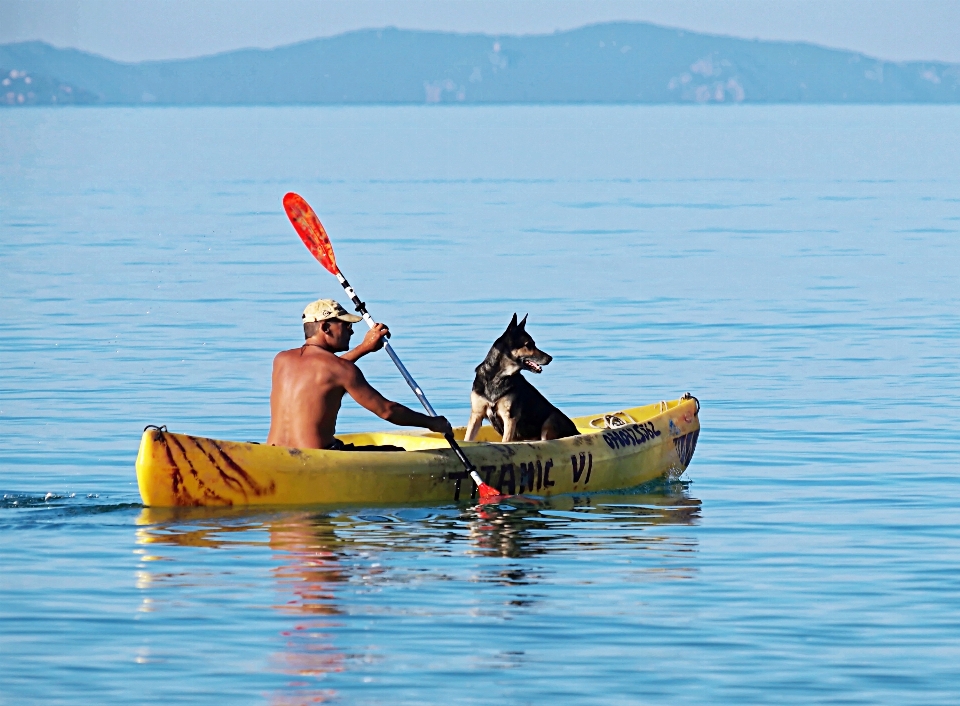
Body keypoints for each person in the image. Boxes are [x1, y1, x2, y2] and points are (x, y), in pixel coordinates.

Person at [266, 298, 452, 450]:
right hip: (318, 459)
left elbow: (323, 371)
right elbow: (387, 411)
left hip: (274, 454)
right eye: (345, 325)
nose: (351, 330)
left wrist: (364, 348)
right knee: (397, 452)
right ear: (325, 328)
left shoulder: (281, 360)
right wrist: (432, 423)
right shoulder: (341, 370)